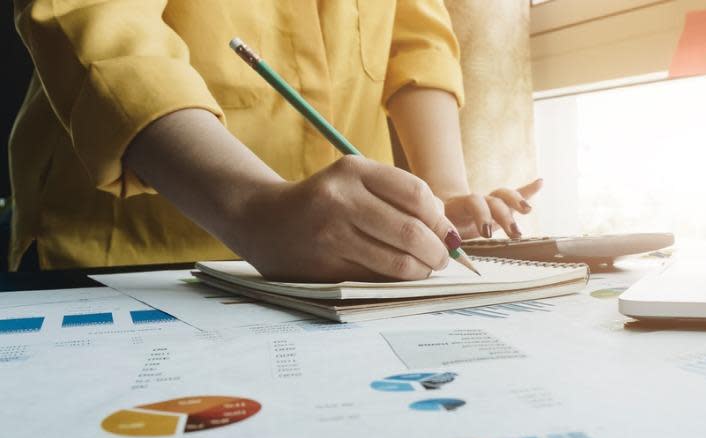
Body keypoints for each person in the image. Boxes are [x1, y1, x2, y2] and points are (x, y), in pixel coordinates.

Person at [8, 1, 540, 280]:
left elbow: (415, 35)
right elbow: (97, 18)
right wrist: (252, 207)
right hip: (135, 255)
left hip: (345, 267)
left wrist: (441, 190)